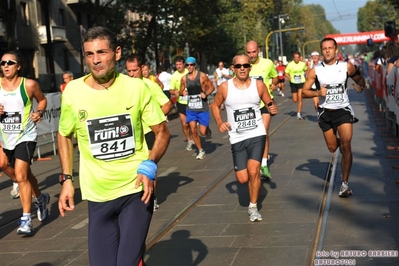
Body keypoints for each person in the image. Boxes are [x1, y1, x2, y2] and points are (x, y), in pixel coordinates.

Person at [57, 26, 170, 265]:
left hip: (135, 192)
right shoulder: (73, 92)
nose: (96, 60)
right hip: (97, 197)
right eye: (89, 54)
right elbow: (64, 134)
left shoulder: (137, 88)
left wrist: (149, 166)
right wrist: (67, 179)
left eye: (102, 52)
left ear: (117, 53)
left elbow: (162, 133)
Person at [211, 54, 278, 221]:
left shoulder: (259, 85)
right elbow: (215, 105)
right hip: (237, 137)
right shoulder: (225, 87)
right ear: (233, 68)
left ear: (250, 68)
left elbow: (268, 101)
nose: (242, 68)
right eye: (239, 66)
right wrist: (220, 121)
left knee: (254, 170)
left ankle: (253, 206)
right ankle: (253, 186)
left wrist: (272, 107)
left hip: (257, 134)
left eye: (245, 66)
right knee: (242, 178)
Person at [302, 37, 365, 197]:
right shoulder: (315, 70)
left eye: (330, 48)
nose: (328, 50)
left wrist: (360, 87)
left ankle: (344, 184)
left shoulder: (346, 67)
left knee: (346, 144)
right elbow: (304, 92)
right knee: (332, 147)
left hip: (343, 110)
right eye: (324, 48)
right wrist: (317, 93)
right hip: (325, 112)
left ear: (336, 50)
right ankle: (342, 147)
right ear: (322, 51)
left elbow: (360, 79)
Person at [0, 50, 50, 235]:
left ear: (18, 66)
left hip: (25, 135)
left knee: (21, 176)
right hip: (4, 137)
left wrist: (39, 112)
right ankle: (40, 197)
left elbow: (42, 100)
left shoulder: (28, 85)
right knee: (9, 168)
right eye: (3, 62)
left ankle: (26, 220)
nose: (5, 65)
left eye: (10, 62)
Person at [125, 53, 173, 211]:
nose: (131, 74)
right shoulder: (123, 86)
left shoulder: (149, 85)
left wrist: (157, 119)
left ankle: (152, 197)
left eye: (134, 70)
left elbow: (167, 103)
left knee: (148, 165)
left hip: (148, 132)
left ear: (142, 68)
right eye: (128, 71)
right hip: (131, 133)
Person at [246, 40, 278, 180]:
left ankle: (264, 165)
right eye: (249, 52)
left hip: (265, 103)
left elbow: (275, 77)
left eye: (254, 52)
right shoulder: (243, 65)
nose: (251, 55)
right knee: (251, 136)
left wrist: (273, 85)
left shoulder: (268, 63)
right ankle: (253, 160)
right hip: (249, 105)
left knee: (263, 133)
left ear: (258, 50)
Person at [179, 57, 214, 160]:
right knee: (193, 130)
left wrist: (206, 94)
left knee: (202, 132)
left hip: (202, 107)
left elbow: (212, 87)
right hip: (191, 108)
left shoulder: (202, 76)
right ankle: (200, 150)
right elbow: (180, 91)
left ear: (195, 65)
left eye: (191, 65)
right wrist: (182, 92)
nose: (189, 67)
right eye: (187, 65)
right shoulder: (184, 79)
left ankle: (207, 130)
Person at [169, 56, 194, 150]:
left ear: (184, 64)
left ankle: (194, 135)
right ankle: (189, 140)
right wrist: (175, 92)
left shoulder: (189, 72)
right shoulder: (173, 76)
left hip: (191, 101)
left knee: (192, 124)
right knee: (184, 124)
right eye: (177, 64)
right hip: (181, 102)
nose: (178, 66)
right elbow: (170, 90)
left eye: (180, 64)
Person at [285, 51, 307, 119]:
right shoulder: (290, 64)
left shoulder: (302, 64)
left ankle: (298, 113)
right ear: (293, 58)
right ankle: (298, 105)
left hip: (301, 82)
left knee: (300, 97)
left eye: (298, 57)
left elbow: (306, 70)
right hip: (293, 83)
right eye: (295, 57)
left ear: (299, 58)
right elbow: (286, 72)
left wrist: (306, 76)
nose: (297, 59)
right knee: (295, 99)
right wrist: (288, 77)